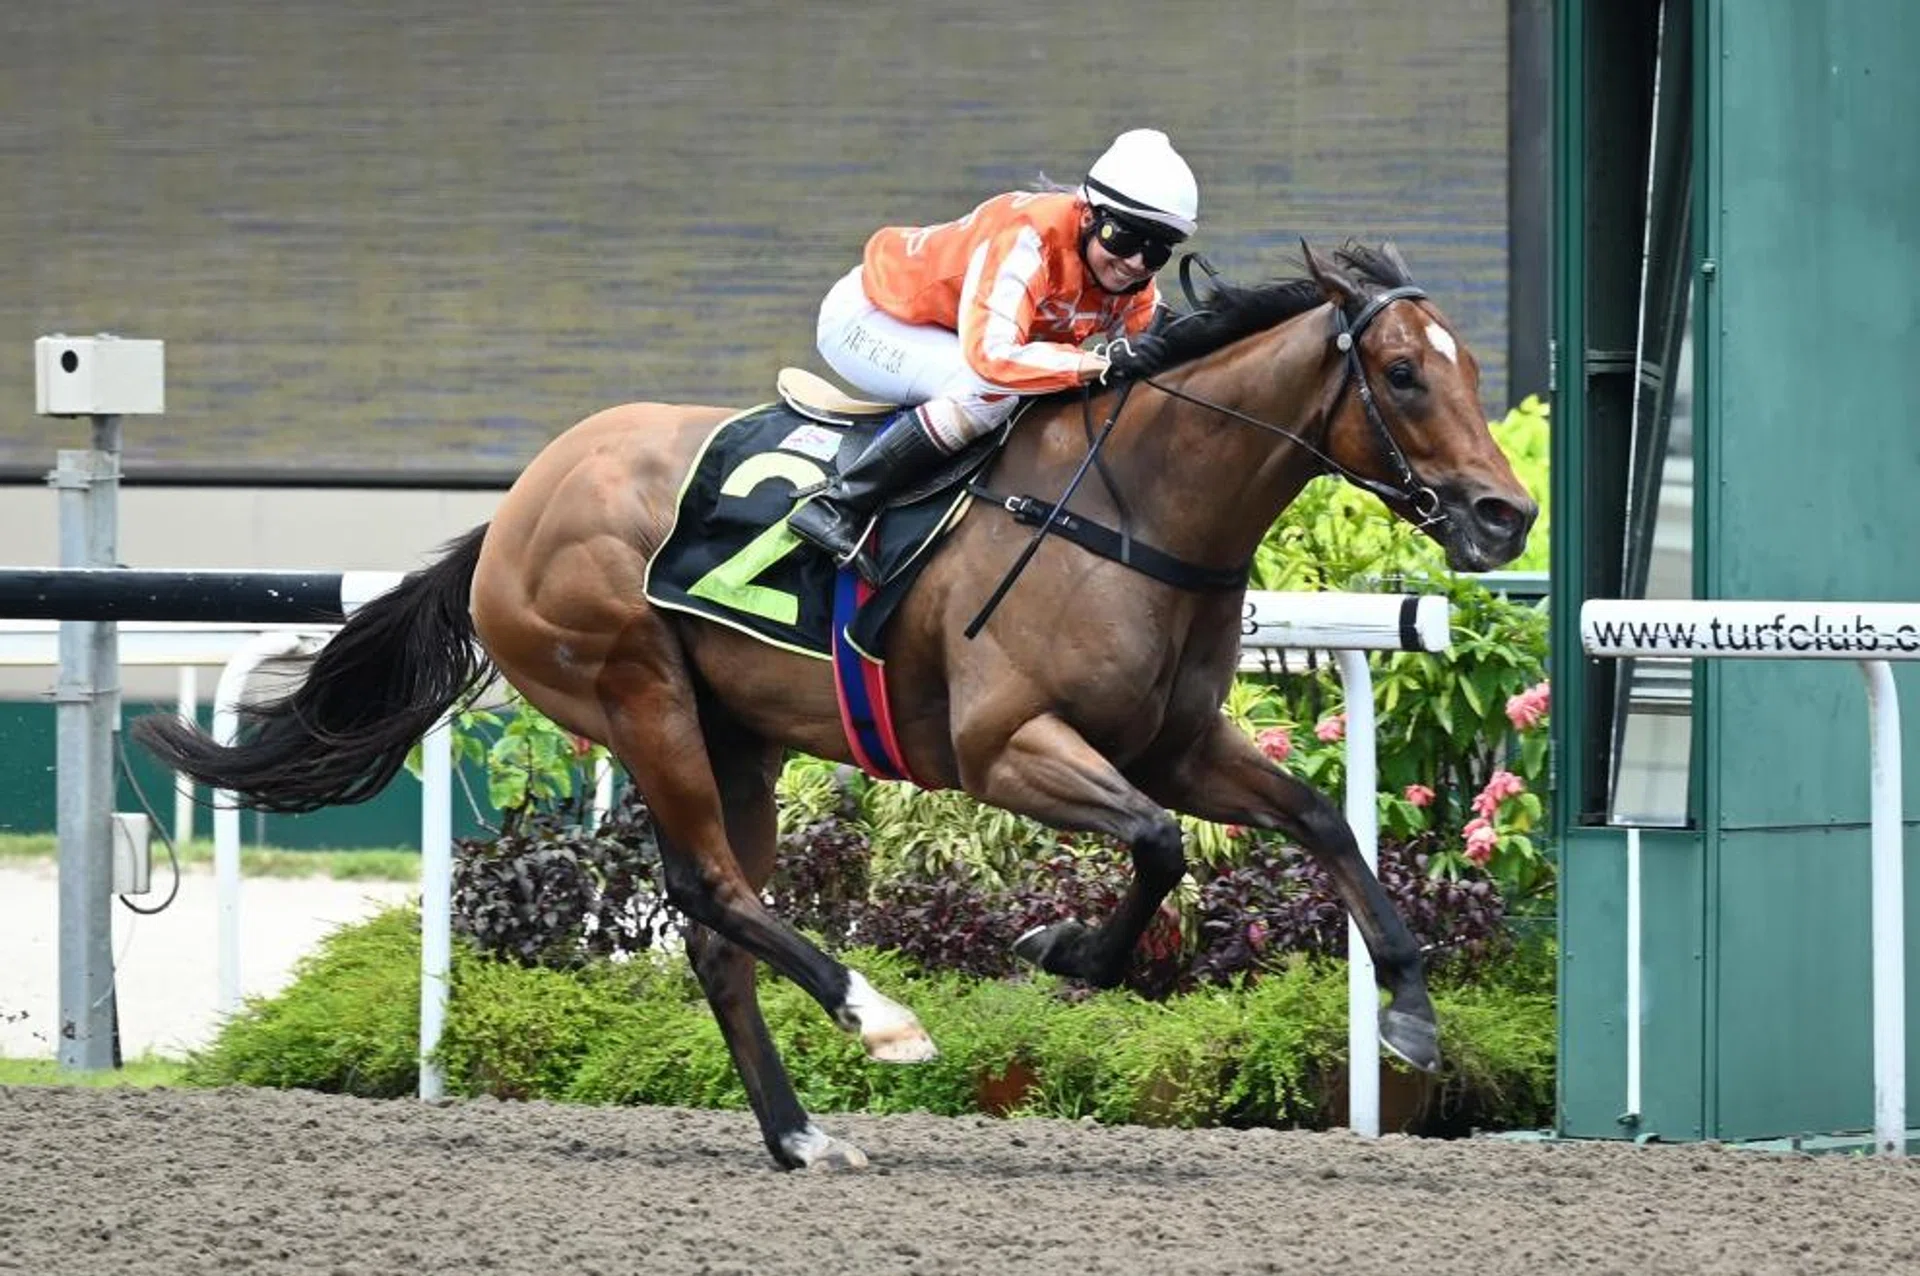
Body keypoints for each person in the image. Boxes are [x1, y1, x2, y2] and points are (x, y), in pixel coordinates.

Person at [788, 127, 1200, 570]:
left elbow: (1155, 353)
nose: (1134, 263)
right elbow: (993, 359)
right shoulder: (1028, 238)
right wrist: (1095, 363)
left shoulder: (1133, 277)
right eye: (1122, 238)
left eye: (1156, 251)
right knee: (988, 392)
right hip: (872, 316)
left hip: (949, 331)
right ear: (1087, 216)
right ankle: (839, 505)